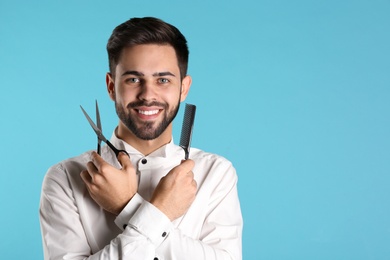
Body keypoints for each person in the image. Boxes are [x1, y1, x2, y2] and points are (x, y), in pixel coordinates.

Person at [39, 17, 242, 260]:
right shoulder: (66, 177)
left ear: (184, 88)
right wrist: (161, 212)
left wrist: (127, 206)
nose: (148, 95)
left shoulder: (216, 173)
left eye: (163, 80)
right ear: (111, 86)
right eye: (134, 79)